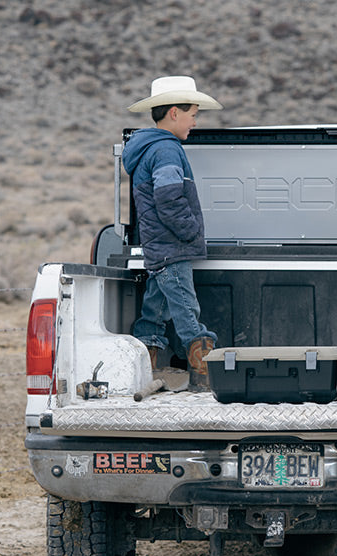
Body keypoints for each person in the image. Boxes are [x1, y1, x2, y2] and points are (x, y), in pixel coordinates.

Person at [123, 76, 222, 391]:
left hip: (158, 246)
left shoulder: (149, 148)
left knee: (155, 309)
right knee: (186, 310)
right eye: (193, 113)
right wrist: (190, 232)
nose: (196, 120)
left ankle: (142, 368)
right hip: (172, 246)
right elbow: (168, 198)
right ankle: (203, 366)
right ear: (174, 113)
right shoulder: (166, 150)